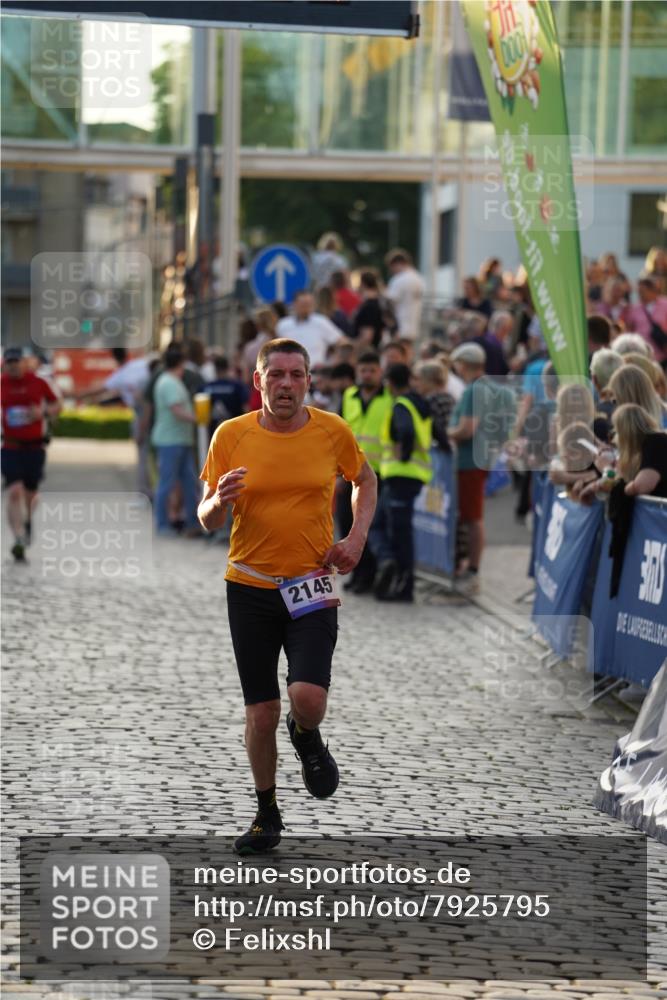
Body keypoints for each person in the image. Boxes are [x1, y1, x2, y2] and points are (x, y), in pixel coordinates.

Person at [197, 338, 377, 854]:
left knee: (307, 699)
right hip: (249, 586)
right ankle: (266, 813)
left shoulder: (331, 430)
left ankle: (308, 736)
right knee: (261, 714)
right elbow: (205, 515)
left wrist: (355, 537)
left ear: (309, 380)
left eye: (296, 375)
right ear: (258, 382)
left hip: (310, 584)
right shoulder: (231, 435)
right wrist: (218, 502)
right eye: (275, 375)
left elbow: (365, 480)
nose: (286, 385)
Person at [448, 342, 514, 593]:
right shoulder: (494, 389)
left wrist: (446, 434)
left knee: (472, 516)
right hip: (484, 457)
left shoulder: (474, 391)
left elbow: (467, 429)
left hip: (469, 460)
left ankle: (472, 568)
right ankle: (471, 566)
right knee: (472, 515)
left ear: (463, 364)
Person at [372, 363, 432, 603]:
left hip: (400, 474)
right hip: (411, 476)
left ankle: (402, 584)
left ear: (390, 383)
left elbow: (406, 431)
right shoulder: (420, 402)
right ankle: (393, 569)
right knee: (390, 528)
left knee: (396, 533)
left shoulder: (402, 405)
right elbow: (436, 430)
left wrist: (403, 455)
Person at [1, 346, 62, 562]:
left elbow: (57, 404)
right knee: (15, 490)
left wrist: (42, 412)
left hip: (35, 447)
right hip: (9, 446)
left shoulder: (38, 382)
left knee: (31, 495)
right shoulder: (1, 383)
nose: (13, 366)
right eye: (9, 363)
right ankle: (18, 538)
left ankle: (27, 521)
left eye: (16, 362)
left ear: (23, 362)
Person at [340, 350, 393, 593]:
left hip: (377, 473)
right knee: (347, 523)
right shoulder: (349, 395)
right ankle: (354, 573)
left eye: (372, 370)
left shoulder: (389, 398)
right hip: (348, 472)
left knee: (367, 527)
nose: (367, 375)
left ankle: (369, 576)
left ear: (380, 372)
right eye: (363, 370)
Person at [77, 347, 151, 496]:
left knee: (143, 455)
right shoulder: (141, 364)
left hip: (143, 412)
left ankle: (145, 492)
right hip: (155, 411)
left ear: (115, 359)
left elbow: (99, 389)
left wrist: (75, 395)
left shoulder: (120, 375)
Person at [151, 344, 200, 537]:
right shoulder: (169, 383)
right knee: (167, 482)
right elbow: (176, 410)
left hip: (179, 439)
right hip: (170, 440)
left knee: (189, 481)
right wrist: (198, 419)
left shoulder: (169, 380)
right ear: (181, 363)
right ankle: (163, 524)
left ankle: (192, 521)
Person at [276, 290, 343, 367]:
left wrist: (331, 362)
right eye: (303, 304)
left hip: (316, 372)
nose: (306, 308)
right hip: (290, 371)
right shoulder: (283, 325)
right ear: (295, 304)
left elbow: (342, 342)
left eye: (309, 304)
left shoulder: (321, 322)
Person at [621, 277, 667, 365]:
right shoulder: (634, 309)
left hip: (662, 353)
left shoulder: (665, 304)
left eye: (643, 291)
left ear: (652, 290)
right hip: (642, 354)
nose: (640, 294)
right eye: (639, 291)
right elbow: (629, 329)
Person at [203, 356, 249, 439]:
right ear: (228, 368)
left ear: (215, 369)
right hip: (236, 433)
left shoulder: (206, 387)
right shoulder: (237, 386)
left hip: (212, 435)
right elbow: (246, 409)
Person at [385, 248, 426, 339]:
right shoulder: (418, 278)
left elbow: (389, 303)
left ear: (398, 263)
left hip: (399, 327)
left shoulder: (399, 279)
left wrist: (391, 326)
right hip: (413, 326)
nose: (392, 271)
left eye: (391, 267)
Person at [413, 360, 454, 452]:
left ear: (429, 380)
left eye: (419, 379)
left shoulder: (430, 401)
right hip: (453, 447)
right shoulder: (450, 397)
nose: (416, 384)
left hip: (440, 450)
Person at [352, 271, 385, 347]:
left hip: (367, 352)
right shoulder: (378, 302)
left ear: (362, 284)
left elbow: (367, 336)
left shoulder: (369, 306)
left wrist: (353, 347)